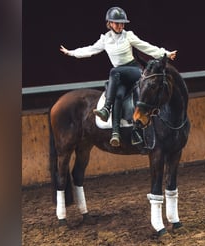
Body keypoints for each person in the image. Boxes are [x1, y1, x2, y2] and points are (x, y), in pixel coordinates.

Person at [60, 6, 177, 147]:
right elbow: (90, 49)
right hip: (119, 76)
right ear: (109, 23)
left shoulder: (129, 36)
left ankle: (107, 109)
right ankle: (115, 133)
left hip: (133, 70)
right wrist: (71, 52)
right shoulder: (105, 40)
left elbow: (146, 47)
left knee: (113, 72)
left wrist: (165, 53)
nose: (120, 26)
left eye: (122, 23)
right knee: (119, 95)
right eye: (117, 23)